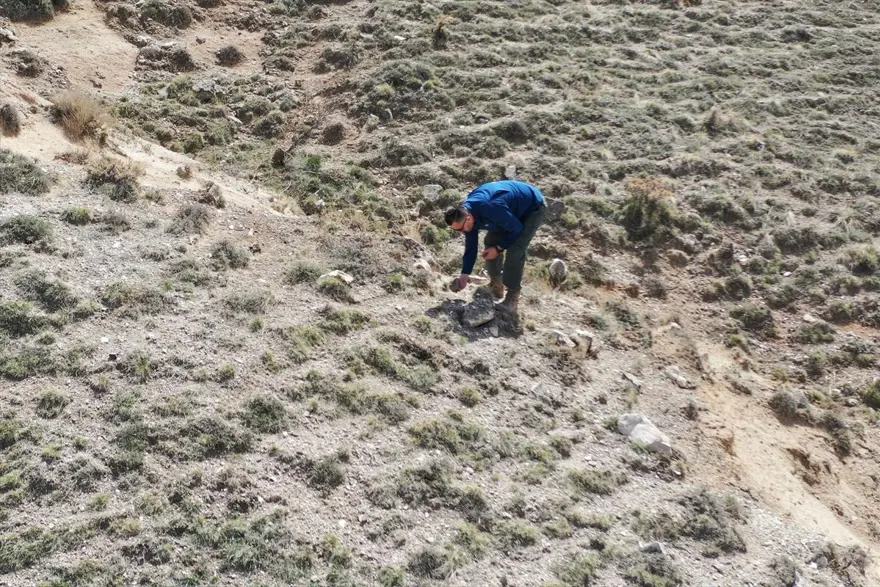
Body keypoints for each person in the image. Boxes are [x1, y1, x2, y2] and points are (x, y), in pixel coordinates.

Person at [444, 179, 547, 314]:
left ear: (468, 219)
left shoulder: (490, 207)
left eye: (460, 229)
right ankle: (496, 285)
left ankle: (512, 299)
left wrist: (499, 248)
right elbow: (471, 247)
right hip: (508, 210)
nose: (461, 232)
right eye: (456, 230)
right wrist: (464, 275)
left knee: (515, 250)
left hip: (532, 207)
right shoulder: (466, 215)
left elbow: (516, 228)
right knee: (491, 241)